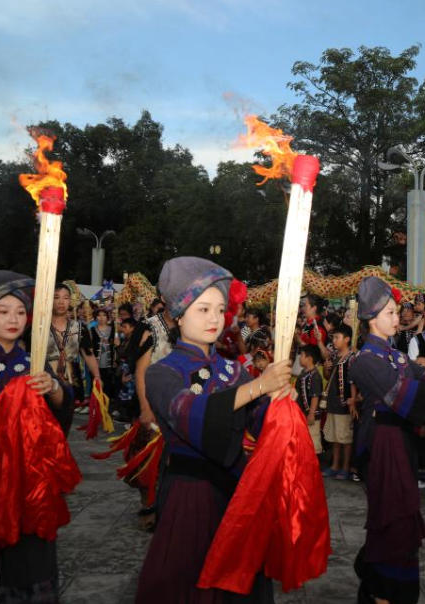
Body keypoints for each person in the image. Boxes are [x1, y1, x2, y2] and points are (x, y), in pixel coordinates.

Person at [135, 257, 292, 603]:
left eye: (219, 310)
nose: (213, 319)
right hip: (190, 499)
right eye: (202, 309)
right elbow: (189, 413)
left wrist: (281, 402)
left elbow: (261, 422)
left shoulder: (233, 371)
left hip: (238, 496)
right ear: (177, 315)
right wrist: (259, 387)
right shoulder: (163, 373)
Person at [349, 277, 425, 604]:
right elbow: (401, 393)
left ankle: (383, 580)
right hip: (381, 446)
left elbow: (424, 376)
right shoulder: (365, 360)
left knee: (402, 513)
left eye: (396, 311)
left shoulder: (393, 353)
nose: (396, 318)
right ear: (372, 319)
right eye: (389, 313)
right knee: (393, 517)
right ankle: (380, 589)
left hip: (399, 441)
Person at [0, 271, 73, 602]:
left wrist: (56, 390)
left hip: (29, 483)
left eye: (20, 311)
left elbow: (58, 422)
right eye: (3, 311)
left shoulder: (32, 364)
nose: (14, 319)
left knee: (30, 563)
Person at [48, 283, 100, 403]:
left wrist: (97, 377)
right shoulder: (38, 327)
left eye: (65, 298)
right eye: (56, 297)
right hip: (44, 382)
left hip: (71, 383)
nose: (61, 302)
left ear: (70, 301)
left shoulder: (79, 328)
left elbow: (88, 354)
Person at [323, 324, 357, 480]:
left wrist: (354, 400)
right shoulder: (334, 357)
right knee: (335, 437)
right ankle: (335, 465)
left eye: (337, 337)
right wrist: (327, 369)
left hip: (345, 403)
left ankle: (345, 467)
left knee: (345, 438)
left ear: (347, 339)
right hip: (333, 402)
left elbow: (354, 381)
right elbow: (327, 377)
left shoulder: (352, 358)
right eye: (334, 337)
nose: (334, 341)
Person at [295, 344, 324, 455]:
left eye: (302, 355)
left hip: (311, 415)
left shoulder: (314, 376)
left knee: (313, 440)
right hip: (303, 414)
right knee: (305, 440)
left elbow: (315, 396)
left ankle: (315, 465)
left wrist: (311, 414)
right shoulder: (303, 373)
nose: (299, 358)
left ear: (310, 359)